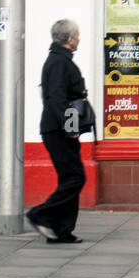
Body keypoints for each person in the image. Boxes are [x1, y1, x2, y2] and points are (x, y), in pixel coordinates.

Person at [27, 19, 88, 244]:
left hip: (58, 129)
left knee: (69, 178)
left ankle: (61, 231)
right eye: (77, 35)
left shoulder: (59, 60)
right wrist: (70, 127)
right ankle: (40, 214)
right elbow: (57, 99)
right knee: (75, 177)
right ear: (69, 39)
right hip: (57, 130)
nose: (79, 38)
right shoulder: (59, 63)